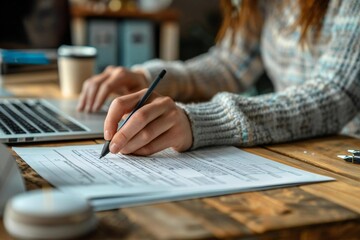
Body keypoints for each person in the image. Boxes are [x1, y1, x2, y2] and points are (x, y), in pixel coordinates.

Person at [77, 0, 360, 156]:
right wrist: (147, 77)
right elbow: (230, 64)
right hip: (298, 149)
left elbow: (337, 93)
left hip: (345, 157)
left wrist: (200, 121)